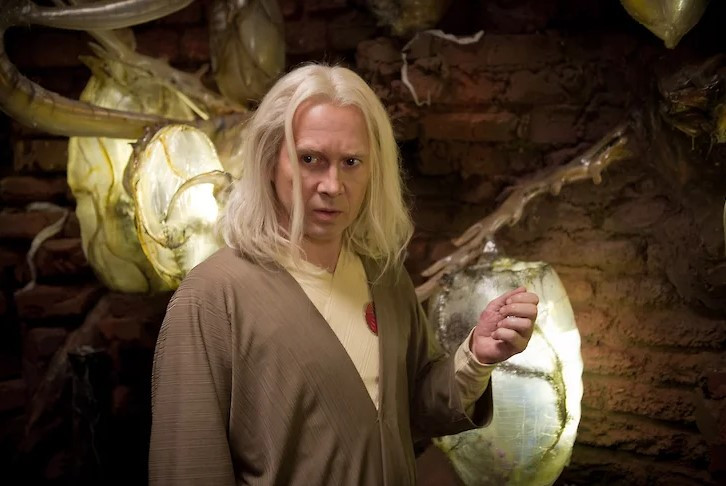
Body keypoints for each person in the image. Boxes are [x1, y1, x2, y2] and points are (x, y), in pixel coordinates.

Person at [148, 64, 538, 485]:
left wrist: (476, 357)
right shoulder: (212, 296)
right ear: (269, 161)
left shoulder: (385, 279)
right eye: (310, 159)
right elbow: (187, 466)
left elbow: (406, 414)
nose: (332, 185)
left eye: (351, 162)